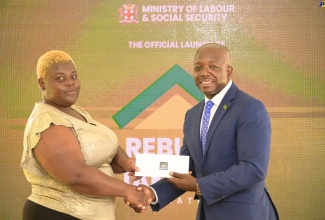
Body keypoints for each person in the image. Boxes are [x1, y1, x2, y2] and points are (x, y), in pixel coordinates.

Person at [130, 43, 279, 219]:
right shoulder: (192, 115)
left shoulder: (250, 107)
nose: (204, 73)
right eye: (198, 68)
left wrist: (200, 185)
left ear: (229, 71)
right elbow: (187, 169)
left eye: (213, 67)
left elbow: (253, 169)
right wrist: (153, 193)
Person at [20, 50, 148, 220]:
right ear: (42, 83)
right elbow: (76, 175)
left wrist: (125, 162)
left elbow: (101, 150)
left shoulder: (75, 112)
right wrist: (127, 190)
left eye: (73, 76)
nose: (70, 83)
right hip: (57, 214)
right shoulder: (47, 121)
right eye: (60, 78)